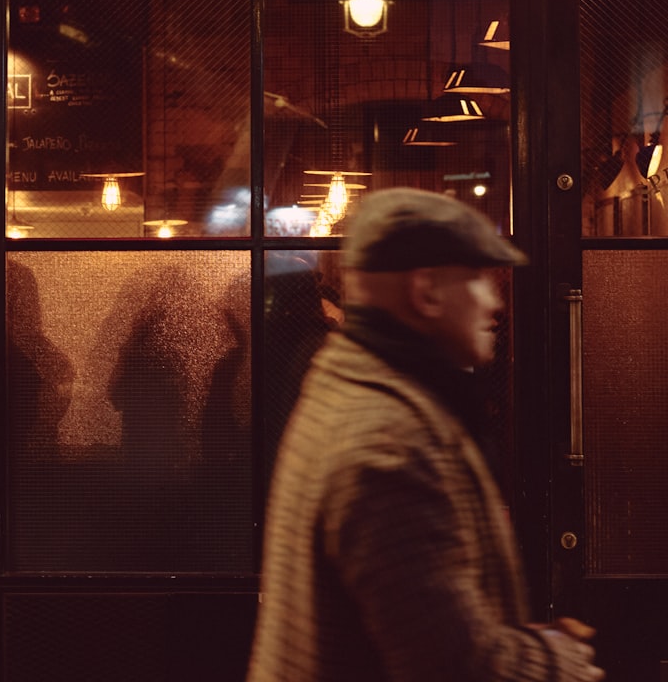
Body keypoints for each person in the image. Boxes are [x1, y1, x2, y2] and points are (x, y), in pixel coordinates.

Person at [247, 187, 604, 682]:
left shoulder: (356, 379)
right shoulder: (387, 447)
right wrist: (556, 660)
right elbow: (453, 664)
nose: (494, 302)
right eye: (478, 279)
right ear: (427, 291)